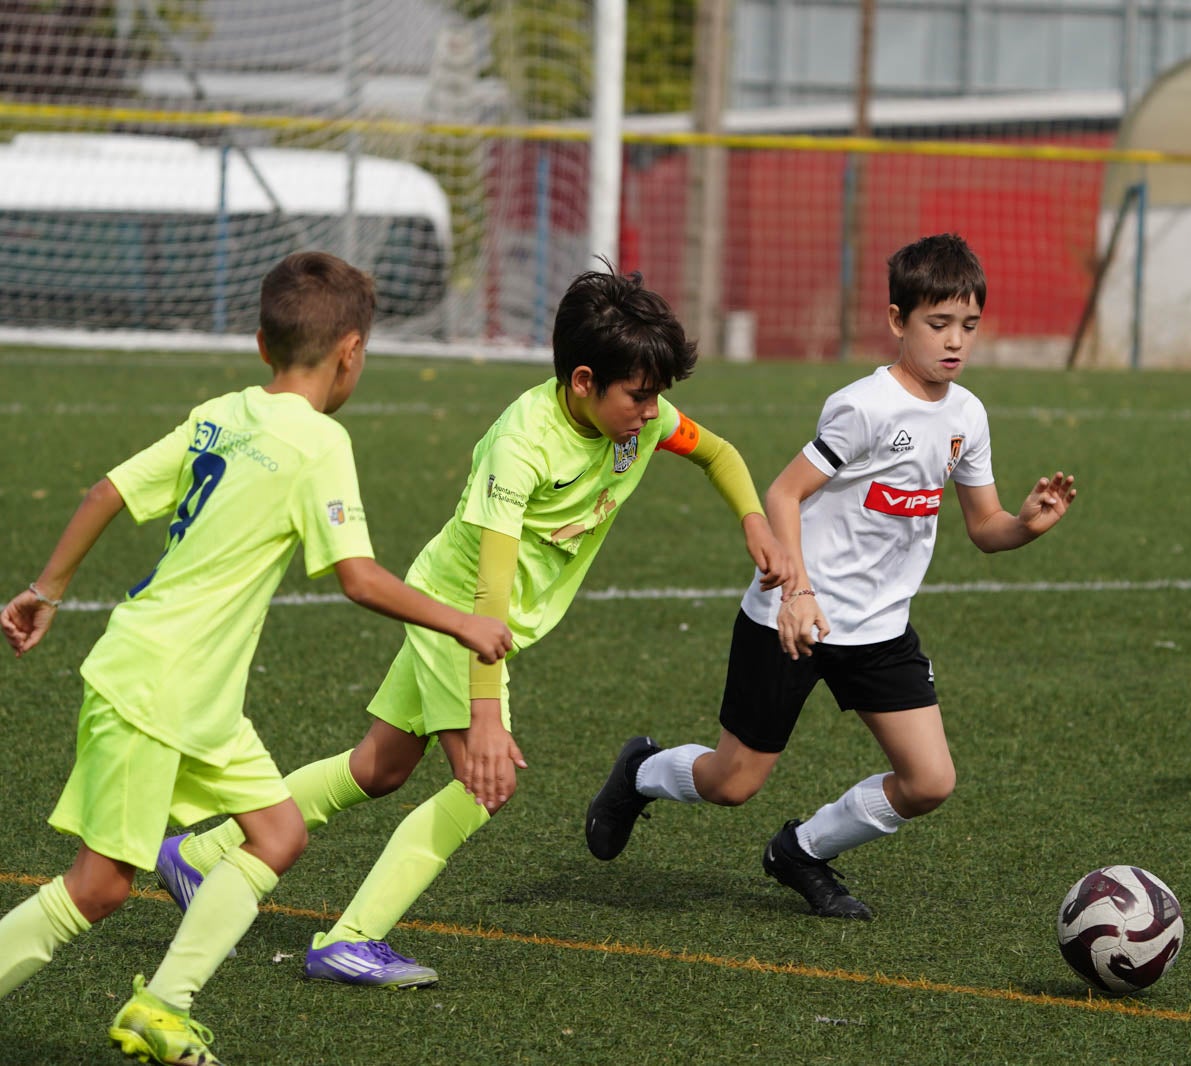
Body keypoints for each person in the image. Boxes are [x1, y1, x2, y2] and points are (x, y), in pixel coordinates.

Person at [160, 264, 790, 986]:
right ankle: (350, 939)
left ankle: (199, 855)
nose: (652, 414)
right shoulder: (521, 446)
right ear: (583, 381)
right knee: (485, 785)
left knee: (379, 768)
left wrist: (754, 521)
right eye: (639, 397)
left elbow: (718, 452)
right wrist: (485, 716)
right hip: (457, 615)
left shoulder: (640, 416)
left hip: (472, 616)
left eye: (656, 396)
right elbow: (490, 587)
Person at [0, 252, 512, 1065]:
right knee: (97, 888)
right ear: (350, 351)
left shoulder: (221, 413)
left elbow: (107, 491)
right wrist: (462, 623)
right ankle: (157, 1005)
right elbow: (358, 577)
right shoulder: (319, 442)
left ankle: (163, 1007)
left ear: (262, 343)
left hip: (192, 691)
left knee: (277, 832)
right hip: (159, 685)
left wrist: (45, 589)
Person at [584, 233, 1076, 919]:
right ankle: (640, 770)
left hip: (880, 630)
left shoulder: (967, 415)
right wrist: (798, 593)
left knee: (929, 781)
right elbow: (784, 494)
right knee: (732, 783)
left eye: (968, 325)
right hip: (793, 620)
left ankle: (801, 851)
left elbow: (984, 527)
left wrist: (1025, 524)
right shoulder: (864, 407)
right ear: (897, 320)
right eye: (938, 323)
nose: (954, 340)